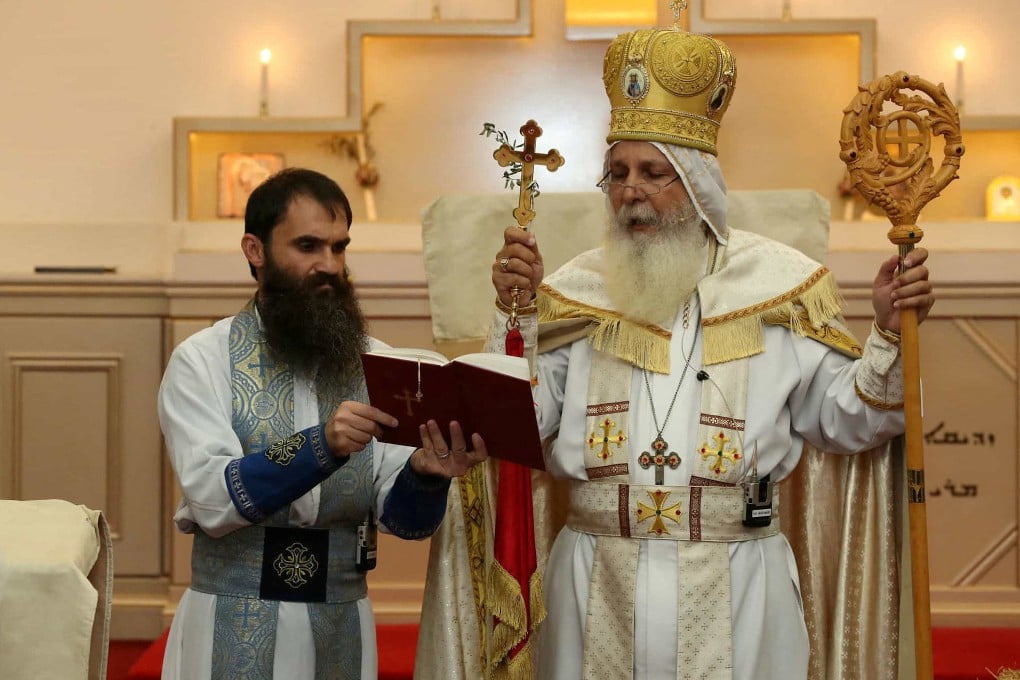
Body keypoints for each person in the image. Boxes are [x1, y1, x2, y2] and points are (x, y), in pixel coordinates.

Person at [481, 28, 933, 679]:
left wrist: (889, 333)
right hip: (594, 578)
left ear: (696, 182)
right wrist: (514, 318)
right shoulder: (576, 292)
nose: (629, 190)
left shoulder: (777, 287)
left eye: (652, 172)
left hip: (739, 581)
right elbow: (523, 426)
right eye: (618, 172)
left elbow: (848, 419)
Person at [158, 167, 487, 680]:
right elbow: (212, 498)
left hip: (343, 618)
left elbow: (405, 521)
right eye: (308, 246)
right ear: (255, 250)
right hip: (231, 610)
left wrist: (426, 472)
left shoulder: (377, 365)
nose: (329, 265)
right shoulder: (203, 360)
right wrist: (322, 445)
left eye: (339, 247)